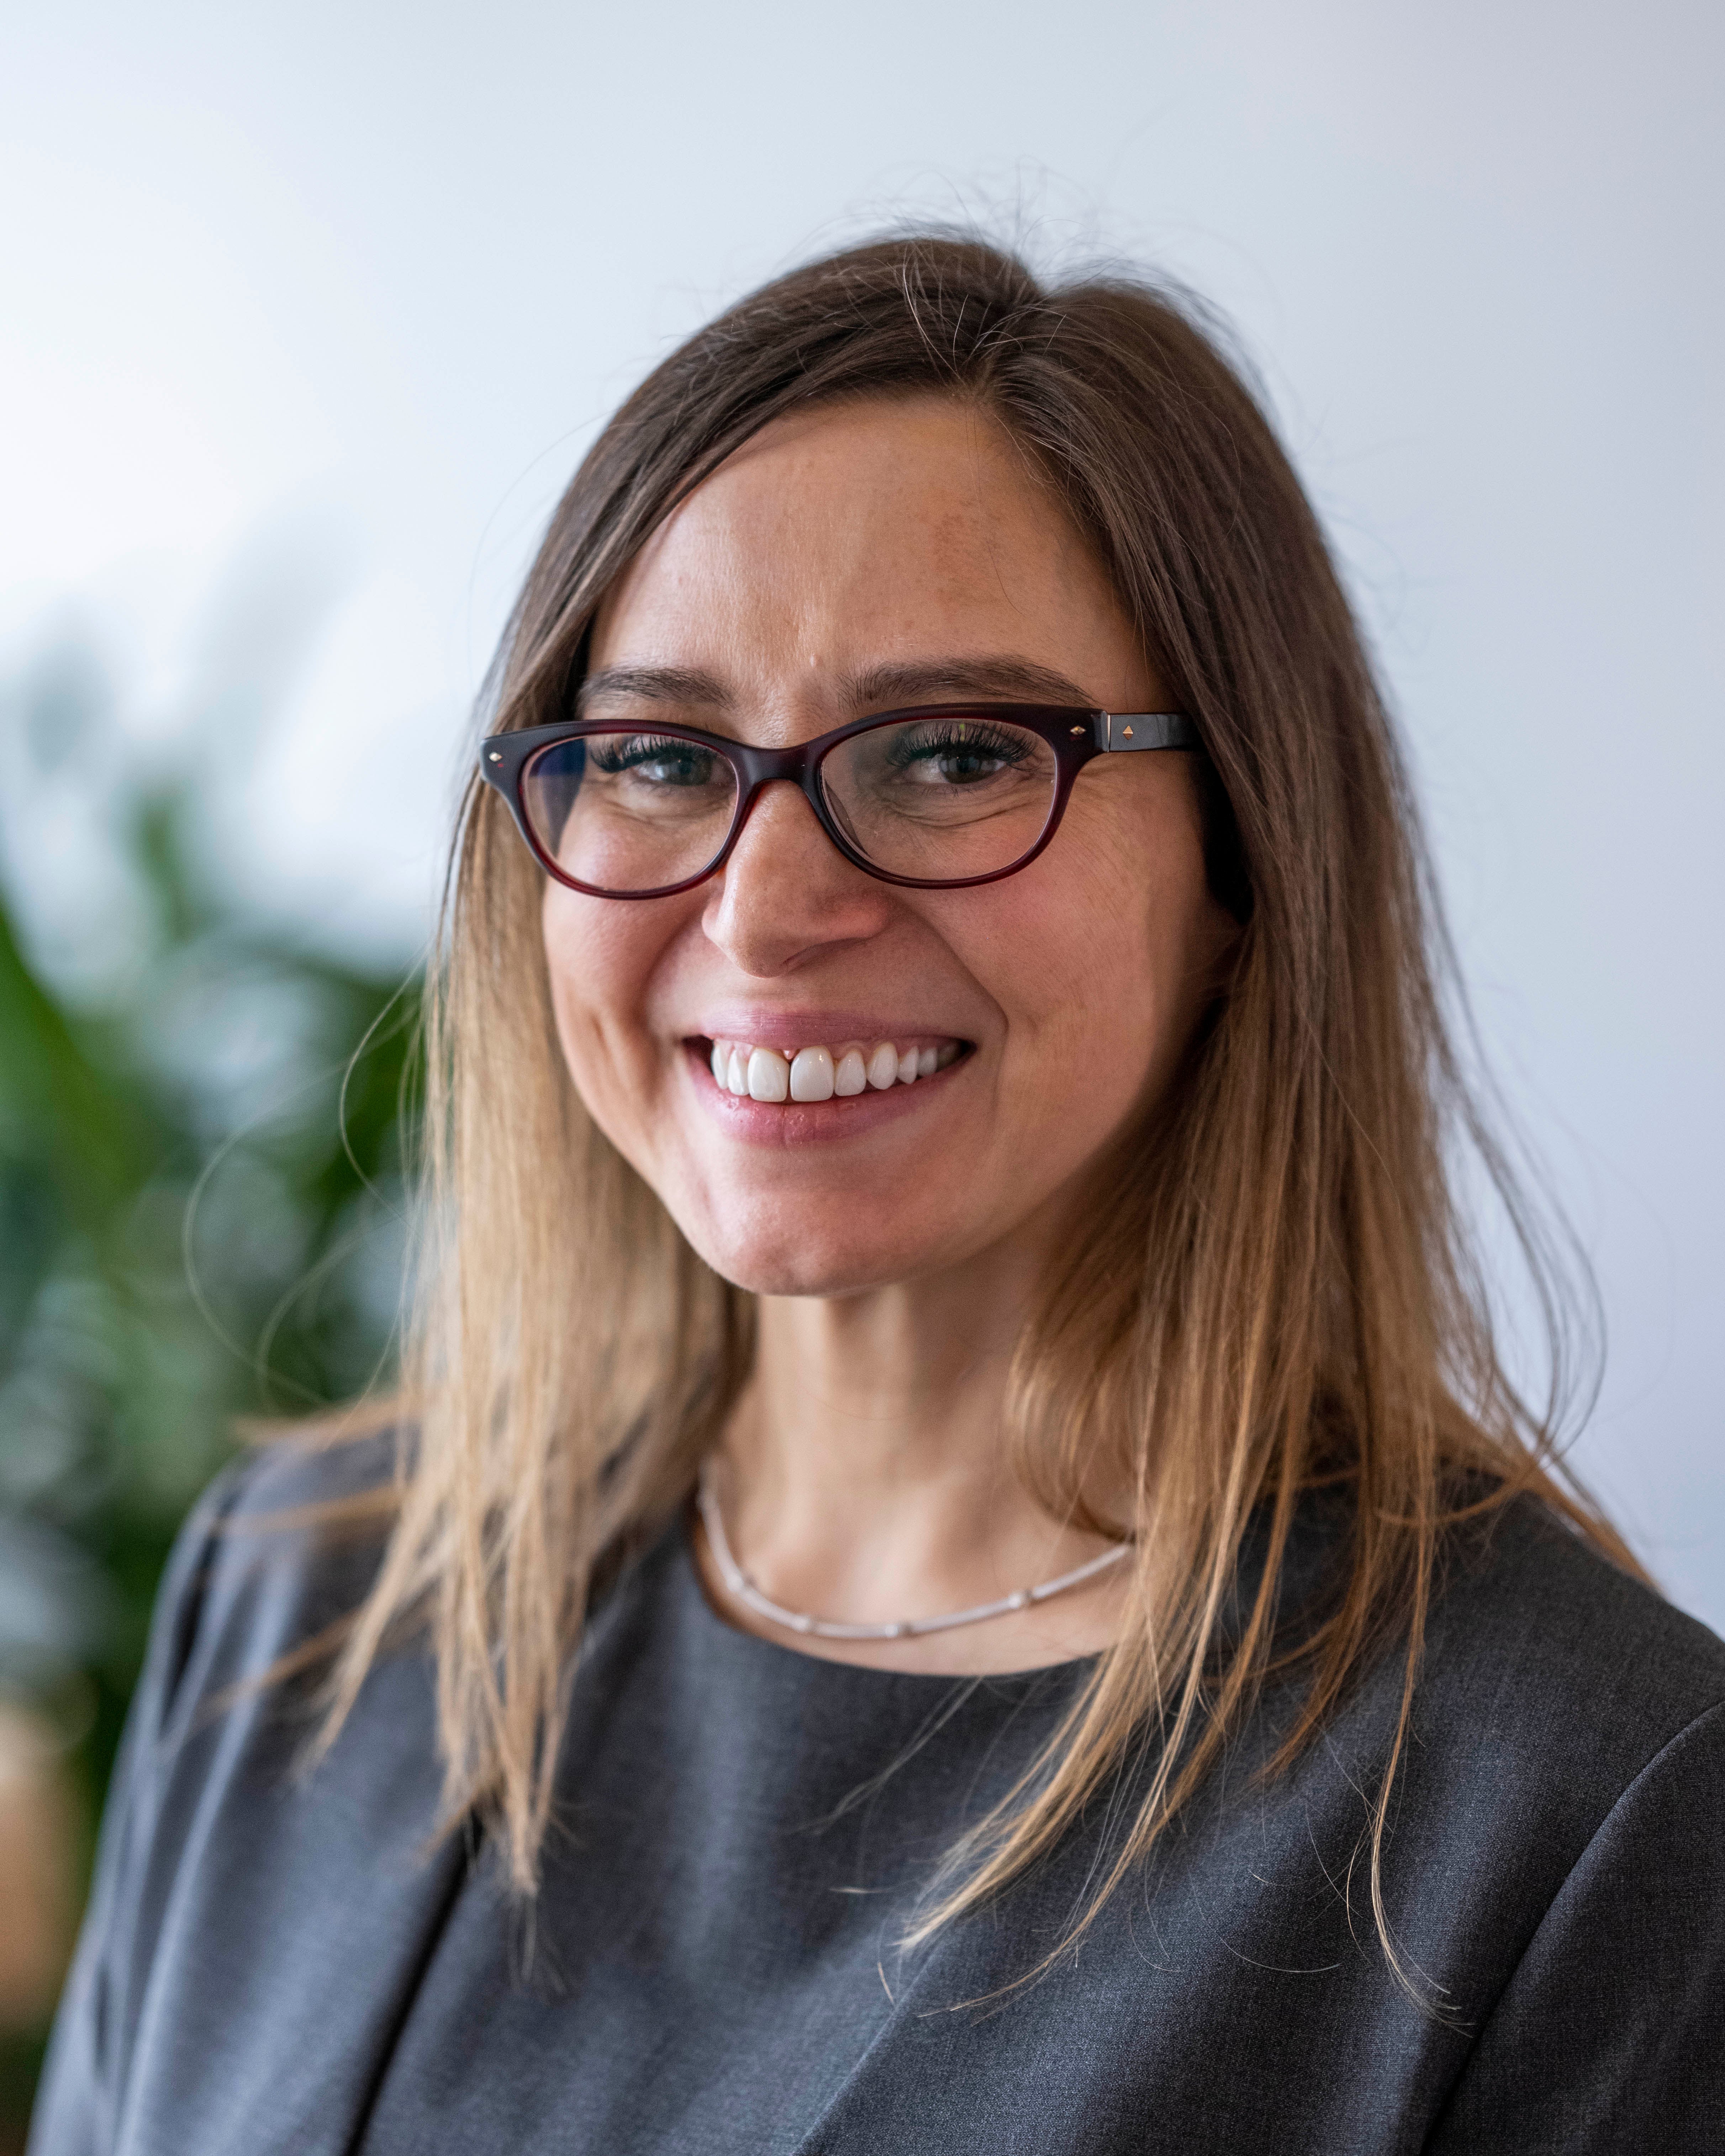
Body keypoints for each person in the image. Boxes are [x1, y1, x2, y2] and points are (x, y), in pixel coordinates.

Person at [30, 236, 1725, 2156]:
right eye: (663, 754)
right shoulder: (302, 1604)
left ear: (1251, 862)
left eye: (951, 754)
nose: (763, 909)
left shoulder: (1588, 1820)